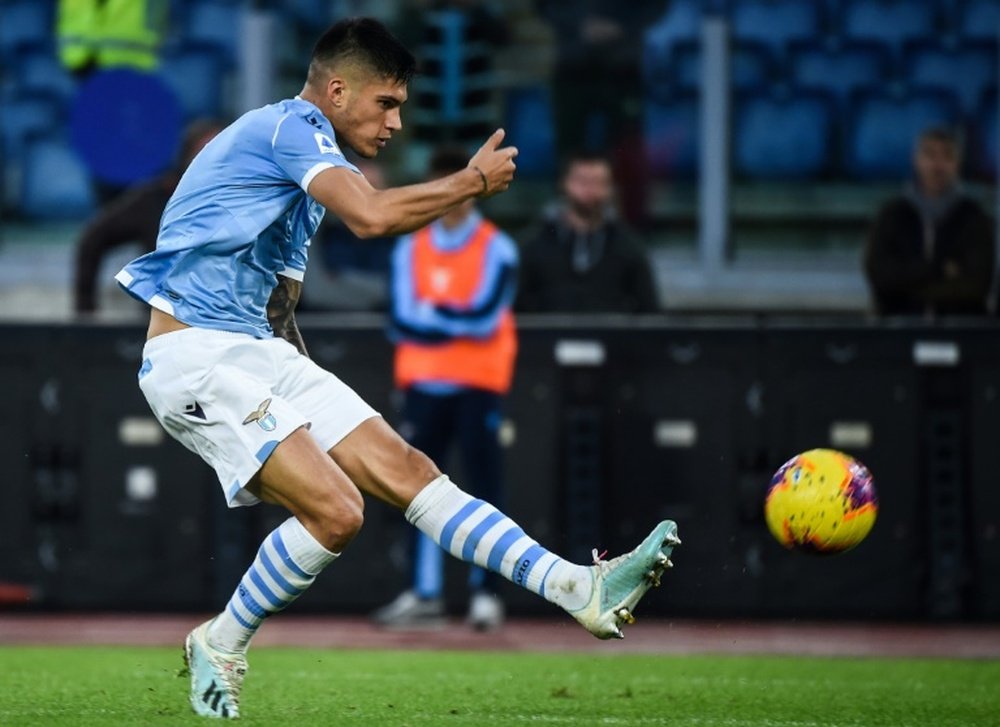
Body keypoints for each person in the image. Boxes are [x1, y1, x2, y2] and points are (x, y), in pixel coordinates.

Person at [114, 18, 678, 720]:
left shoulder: (294, 172)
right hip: (193, 354)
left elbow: (281, 305)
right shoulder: (291, 127)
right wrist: (470, 181)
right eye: (387, 102)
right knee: (338, 511)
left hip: (255, 349)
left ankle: (577, 590)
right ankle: (221, 642)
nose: (396, 121)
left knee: (409, 470)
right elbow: (374, 218)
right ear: (339, 90)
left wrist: (307, 398)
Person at [373, 146, 519, 630]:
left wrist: (433, 315)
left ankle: (486, 595)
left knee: (483, 490)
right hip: (422, 385)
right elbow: (400, 321)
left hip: (478, 384)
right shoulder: (410, 247)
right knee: (415, 491)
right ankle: (424, 593)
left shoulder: (497, 248)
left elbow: (483, 320)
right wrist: (447, 319)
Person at [535, 1, 666, 228]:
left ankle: (631, 225)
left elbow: (656, 6)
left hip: (623, 67)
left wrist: (621, 27)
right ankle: (567, 224)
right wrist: (580, 26)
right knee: (568, 148)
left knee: (626, 148)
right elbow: (544, 6)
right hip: (572, 65)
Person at [73, 119, 223, 313]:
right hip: (165, 324)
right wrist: (85, 311)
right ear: (187, 157)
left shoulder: (250, 201)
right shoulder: (156, 198)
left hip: (231, 324)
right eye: (205, 152)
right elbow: (92, 240)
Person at [864, 126, 995, 317]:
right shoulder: (891, 214)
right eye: (930, 155)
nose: (938, 165)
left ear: (958, 163)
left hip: (959, 331)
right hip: (899, 329)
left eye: (947, 156)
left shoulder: (974, 217)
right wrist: (939, 268)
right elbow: (880, 275)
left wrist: (909, 288)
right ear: (916, 160)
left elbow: (976, 286)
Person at [517, 152, 659, 313]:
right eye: (582, 181)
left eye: (599, 182)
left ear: (611, 188)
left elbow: (650, 313)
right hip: (546, 337)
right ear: (564, 183)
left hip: (612, 337)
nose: (590, 190)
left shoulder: (629, 248)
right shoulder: (532, 245)